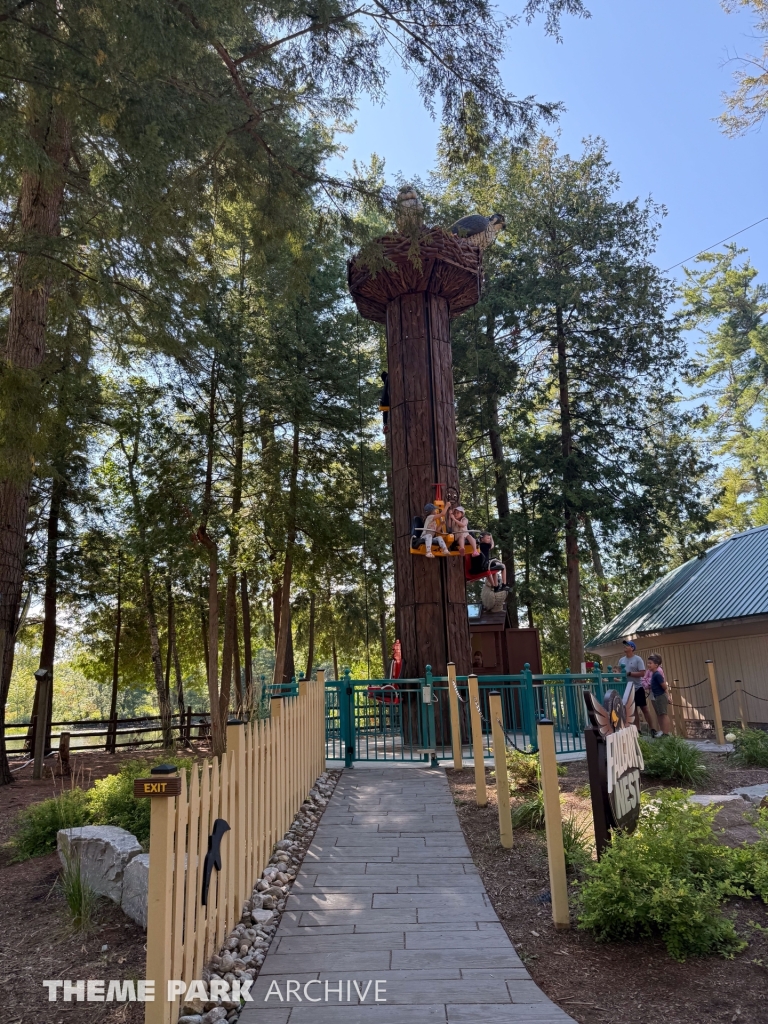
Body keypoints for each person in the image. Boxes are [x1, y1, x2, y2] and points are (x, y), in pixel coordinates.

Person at [619, 639, 653, 733]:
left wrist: (629, 673)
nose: (625, 647)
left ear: (632, 648)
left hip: (638, 687)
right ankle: (638, 730)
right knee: (633, 710)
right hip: (627, 688)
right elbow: (619, 673)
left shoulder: (638, 659)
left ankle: (652, 728)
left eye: (627, 645)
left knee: (644, 708)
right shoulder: (621, 660)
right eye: (624, 645)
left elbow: (642, 673)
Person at [647, 654, 670, 737]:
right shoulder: (653, 674)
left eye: (650, 663)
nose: (648, 665)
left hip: (661, 695)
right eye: (648, 663)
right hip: (656, 696)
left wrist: (668, 696)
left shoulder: (657, 674)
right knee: (660, 714)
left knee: (663, 714)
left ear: (656, 665)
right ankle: (662, 731)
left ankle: (666, 733)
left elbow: (664, 686)